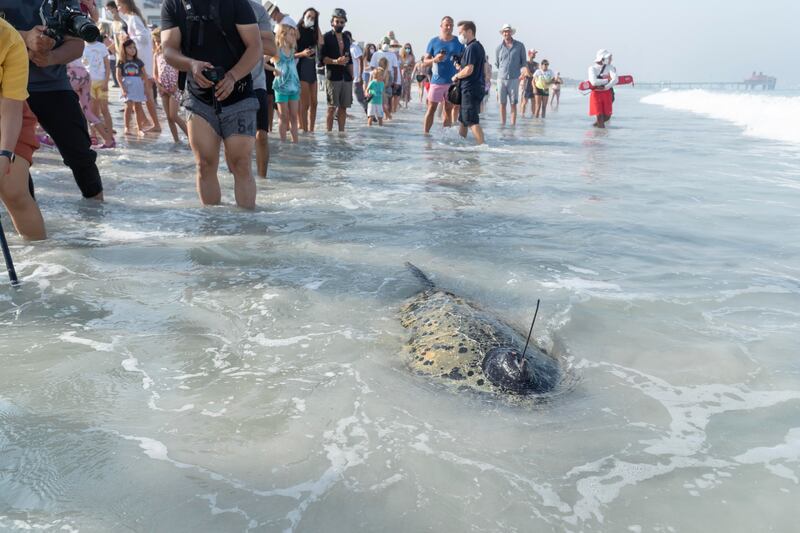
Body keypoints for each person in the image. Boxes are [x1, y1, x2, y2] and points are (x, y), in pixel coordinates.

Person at [161, 0, 263, 209]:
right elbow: (168, 50)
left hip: (239, 94)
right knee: (204, 165)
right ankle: (212, 230)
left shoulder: (237, 3)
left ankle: (249, 232)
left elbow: (256, 46)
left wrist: (233, 76)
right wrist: (191, 64)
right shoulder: (173, 4)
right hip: (198, 97)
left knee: (241, 163)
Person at [3, 0, 104, 201]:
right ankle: (26, 221)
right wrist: (25, 38)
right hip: (6, 90)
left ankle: (96, 223)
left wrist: (51, 57)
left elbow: (76, 44)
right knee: (13, 164)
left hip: (53, 85)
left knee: (81, 156)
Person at [0, 16, 46, 240]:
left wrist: (3, 155)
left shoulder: (8, 37)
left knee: (13, 190)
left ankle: (42, 259)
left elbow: (11, 107)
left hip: (8, 115)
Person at [116, 0, 161, 133]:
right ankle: (144, 122)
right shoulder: (134, 18)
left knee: (147, 97)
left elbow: (144, 38)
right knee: (140, 98)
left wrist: (127, 40)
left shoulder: (133, 18)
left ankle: (155, 124)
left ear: (125, 4)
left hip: (142, 65)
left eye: (119, 5)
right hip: (141, 64)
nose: (118, 8)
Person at [248, 0, 276, 178]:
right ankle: (236, 177)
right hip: (227, 81)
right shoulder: (220, 6)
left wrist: (247, 33)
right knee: (231, 140)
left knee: (262, 136)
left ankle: (263, 181)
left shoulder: (258, 10)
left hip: (257, 82)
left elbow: (271, 48)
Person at [422, 16, 464, 133]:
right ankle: (426, 136)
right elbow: (425, 62)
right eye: (447, 25)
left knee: (448, 109)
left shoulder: (458, 42)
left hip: (452, 82)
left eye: (451, 25)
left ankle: (444, 139)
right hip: (436, 81)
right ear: (441, 26)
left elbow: (464, 60)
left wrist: (460, 66)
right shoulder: (433, 41)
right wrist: (434, 59)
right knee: (431, 108)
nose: (449, 27)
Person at [67, 58, 115, 147]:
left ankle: (53, 139)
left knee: (61, 108)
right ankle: (108, 140)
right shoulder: (72, 46)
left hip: (71, 74)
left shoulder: (57, 46)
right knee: (88, 112)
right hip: (85, 75)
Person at [319, 8, 352, 132]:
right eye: (337, 21)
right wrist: (335, 61)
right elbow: (321, 59)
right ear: (332, 22)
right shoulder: (326, 37)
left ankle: (341, 134)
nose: (339, 24)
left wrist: (352, 74)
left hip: (346, 76)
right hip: (333, 76)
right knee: (331, 107)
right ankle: (329, 134)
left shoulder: (347, 38)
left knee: (343, 107)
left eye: (342, 22)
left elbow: (350, 58)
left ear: (345, 23)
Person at [452, 20, 485, 145]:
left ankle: (483, 146)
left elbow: (469, 69)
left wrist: (456, 76)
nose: (459, 35)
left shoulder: (472, 47)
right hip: (474, 88)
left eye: (461, 32)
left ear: (470, 31)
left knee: (471, 121)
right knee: (463, 120)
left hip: (470, 89)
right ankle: (461, 145)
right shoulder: (477, 46)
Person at [152, 28, 188, 143]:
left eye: (159, 41)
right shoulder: (156, 54)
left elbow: (181, 70)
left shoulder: (173, 53)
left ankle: (191, 137)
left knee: (174, 115)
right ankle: (176, 140)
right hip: (163, 89)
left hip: (174, 88)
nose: (157, 43)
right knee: (168, 117)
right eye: (155, 41)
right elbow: (155, 73)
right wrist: (159, 86)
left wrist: (176, 85)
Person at [83, 34, 115, 142]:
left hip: (101, 82)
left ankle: (110, 135)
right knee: (92, 111)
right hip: (88, 83)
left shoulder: (101, 46)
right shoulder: (82, 46)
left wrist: (106, 81)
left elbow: (107, 66)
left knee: (104, 109)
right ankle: (93, 135)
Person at [272, 23, 300, 143]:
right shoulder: (277, 50)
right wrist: (273, 70)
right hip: (281, 87)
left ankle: (296, 143)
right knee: (284, 117)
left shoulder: (293, 50)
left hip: (294, 87)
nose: (294, 36)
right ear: (283, 35)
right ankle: (283, 143)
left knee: (294, 116)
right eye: (291, 34)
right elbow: (260, 60)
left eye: (294, 34)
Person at [296, 8, 322, 132]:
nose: (310, 19)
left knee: (315, 102)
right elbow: (291, 52)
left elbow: (321, 42)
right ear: (304, 15)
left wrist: (317, 24)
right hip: (301, 66)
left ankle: (311, 130)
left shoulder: (313, 31)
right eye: (309, 16)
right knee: (304, 103)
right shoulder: (297, 29)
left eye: (313, 18)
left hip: (312, 66)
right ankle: (305, 130)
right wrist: (303, 53)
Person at [494, 24, 525, 126]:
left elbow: (523, 62)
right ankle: (502, 125)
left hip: (514, 78)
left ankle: (512, 126)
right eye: (504, 31)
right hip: (501, 79)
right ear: (502, 33)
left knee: (513, 103)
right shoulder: (499, 48)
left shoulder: (520, 46)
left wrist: (519, 73)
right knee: (502, 104)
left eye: (508, 31)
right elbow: (498, 63)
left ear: (511, 32)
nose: (506, 33)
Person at [117, 39, 148, 136]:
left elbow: (145, 74)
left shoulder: (139, 61)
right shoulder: (121, 61)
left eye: (134, 47)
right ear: (124, 49)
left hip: (137, 85)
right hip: (127, 85)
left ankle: (140, 128)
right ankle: (127, 127)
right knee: (128, 106)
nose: (133, 49)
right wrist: (122, 88)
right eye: (130, 47)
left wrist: (144, 86)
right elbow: (118, 75)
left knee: (138, 107)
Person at [588, 49, 617, 128]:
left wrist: (606, 86)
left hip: (607, 92)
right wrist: (607, 80)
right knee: (599, 116)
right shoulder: (592, 68)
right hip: (596, 94)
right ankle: (601, 138)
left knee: (607, 116)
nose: (611, 59)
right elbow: (593, 82)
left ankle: (595, 127)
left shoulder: (610, 67)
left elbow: (615, 79)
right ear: (602, 58)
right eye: (609, 57)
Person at [369, 44, 399, 119]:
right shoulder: (377, 71)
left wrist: (379, 85)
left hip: (383, 91)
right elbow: (371, 81)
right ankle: (386, 119)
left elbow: (385, 84)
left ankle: (388, 118)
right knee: (382, 107)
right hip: (379, 91)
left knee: (384, 106)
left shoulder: (386, 73)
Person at [347, 32, 366, 113]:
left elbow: (361, 60)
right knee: (345, 97)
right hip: (347, 77)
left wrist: (360, 75)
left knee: (359, 97)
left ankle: (369, 113)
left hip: (356, 77)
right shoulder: (345, 47)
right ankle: (339, 114)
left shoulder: (354, 48)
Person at [520, 49, 538, 118]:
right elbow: (527, 74)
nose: (534, 55)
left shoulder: (536, 64)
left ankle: (533, 116)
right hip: (527, 84)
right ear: (529, 54)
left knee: (533, 101)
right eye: (533, 53)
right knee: (525, 101)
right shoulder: (525, 63)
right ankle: (522, 115)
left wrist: (530, 73)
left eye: (535, 53)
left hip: (534, 85)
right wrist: (531, 73)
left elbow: (537, 74)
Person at [399, 43, 415, 108]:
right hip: (401, 74)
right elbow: (399, 65)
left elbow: (413, 66)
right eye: (406, 48)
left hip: (408, 74)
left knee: (407, 88)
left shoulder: (412, 57)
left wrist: (408, 67)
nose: (407, 49)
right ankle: (399, 103)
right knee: (401, 88)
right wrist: (403, 66)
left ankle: (406, 104)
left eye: (409, 48)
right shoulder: (401, 56)